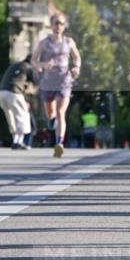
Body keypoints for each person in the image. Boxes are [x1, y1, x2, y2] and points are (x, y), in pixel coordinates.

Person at [32, 13, 81, 158]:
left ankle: (59, 143)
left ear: (64, 26)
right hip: (47, 81)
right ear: (51, 25)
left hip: (64, 80)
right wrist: (43, 65)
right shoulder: (44, 43)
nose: (58, 26)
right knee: (51, 115)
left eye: (61, 23)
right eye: (56, 23)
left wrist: (76, 67)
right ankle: (51, 121)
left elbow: (77, 57)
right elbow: (34, 60)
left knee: (61, 113)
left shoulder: (69, 42)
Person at [0, 54, 38, 150]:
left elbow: (17, 80)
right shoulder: (28, 67)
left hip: (2, 92)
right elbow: (36, 81)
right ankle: (18, 142)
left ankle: (15, 140)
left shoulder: (16, 65)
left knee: (11, 117)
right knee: (22, 115)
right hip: (14, 93)